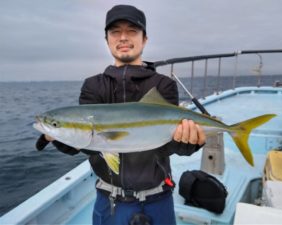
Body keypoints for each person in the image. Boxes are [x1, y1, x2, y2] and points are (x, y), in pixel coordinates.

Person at [36, 4, 206, 225]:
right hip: (109, 200)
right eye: (115, 32)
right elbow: (88, 142)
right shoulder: (93, 86)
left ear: (144, 39)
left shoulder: (162, 85)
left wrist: (187, 143)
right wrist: (58, 136)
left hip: (158, 198)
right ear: (107, 39)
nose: (123, 37)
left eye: (132, 31)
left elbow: (165, 143)